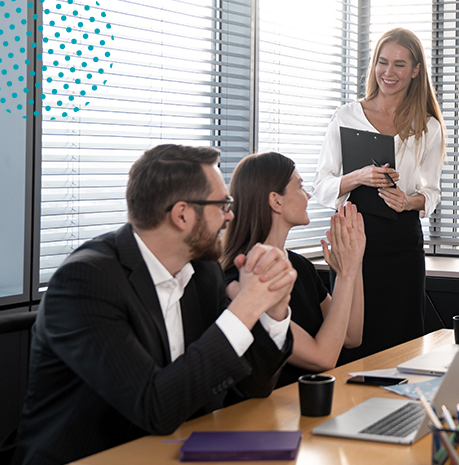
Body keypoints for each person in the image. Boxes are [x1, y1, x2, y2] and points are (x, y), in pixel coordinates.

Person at [12, 145, 297, 465]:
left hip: (174, 453)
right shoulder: (86, 281)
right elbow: (155, 407)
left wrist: (273, 310)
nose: (230, 214)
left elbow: (252, 387)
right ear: (182, 214)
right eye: (223, 204)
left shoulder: (204, 272)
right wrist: (245, 307)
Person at [313, 28, 446, 360]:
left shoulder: (428, 127)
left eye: (400, 65)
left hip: (402, 244)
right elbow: (321, 186)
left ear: (416, 70)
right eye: (382, 63)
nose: (389, 73)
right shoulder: (346, 116)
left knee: (404, 343)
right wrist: (358, 176)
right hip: (354, 241)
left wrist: (408, 201)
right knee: (352, 339)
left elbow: (431, 193)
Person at [221, 152, 365, 387]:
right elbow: (323, 358)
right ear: (276, 200)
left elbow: (351, 336)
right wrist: (346, 275)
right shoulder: (241, 280)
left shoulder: (300, 266)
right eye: (299, 187)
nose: (308, 195)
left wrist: (354, 262)